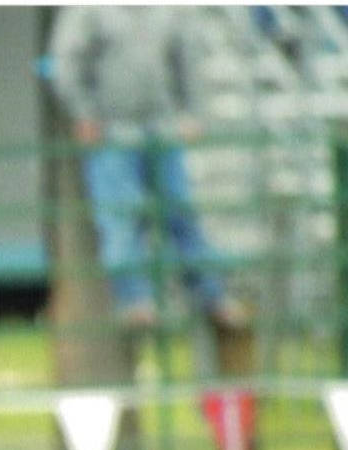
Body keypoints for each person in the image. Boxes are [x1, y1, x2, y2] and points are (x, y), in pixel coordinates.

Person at [48, 7, 247, 333]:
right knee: (122, 218)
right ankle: (135, 302)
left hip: (163, 128)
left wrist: (191, 112)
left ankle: (211, 297)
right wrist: (84, 113)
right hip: (112, 130)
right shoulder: (88, 10)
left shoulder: (170, 10)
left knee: (181, 214)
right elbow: (66, 63)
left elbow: (188, 58)